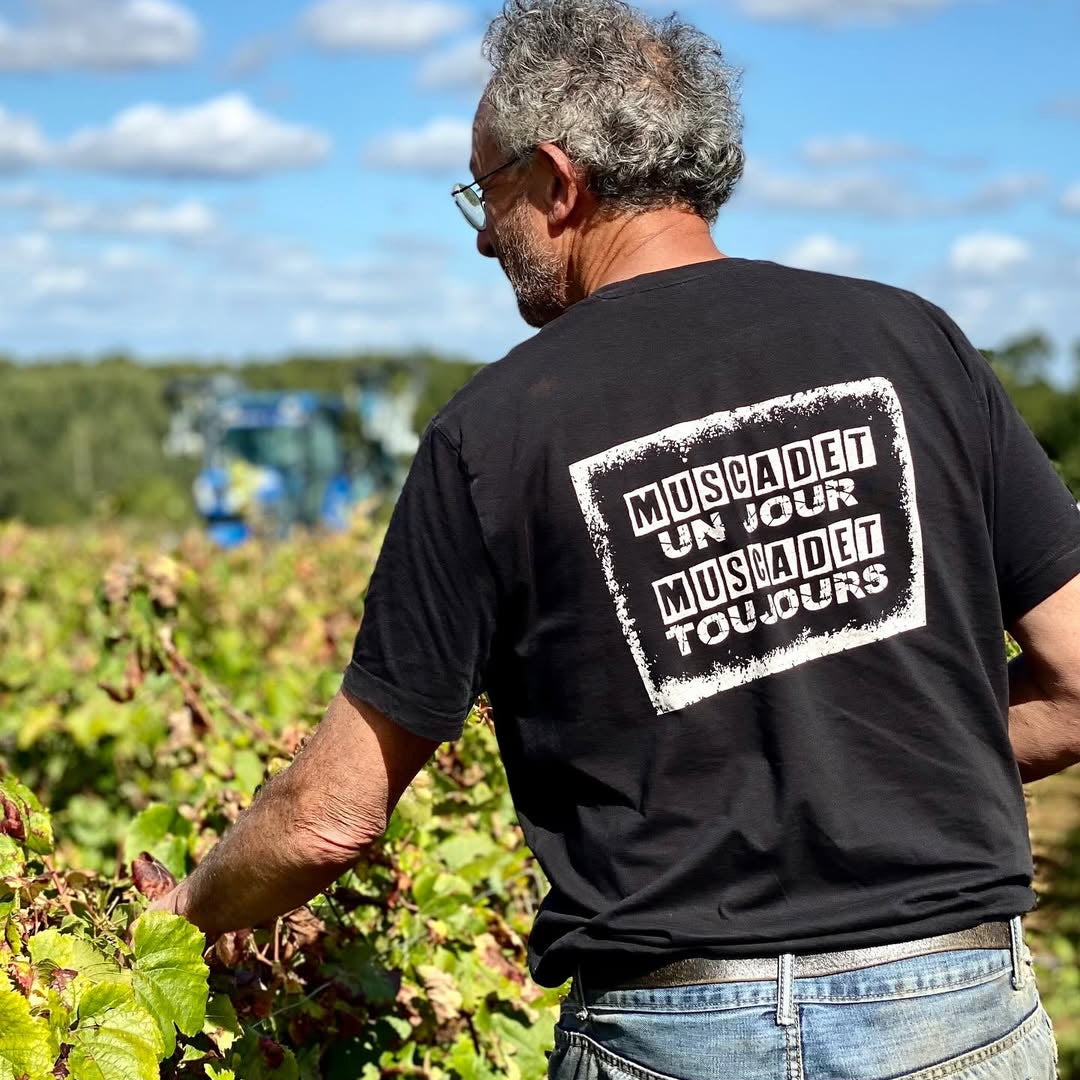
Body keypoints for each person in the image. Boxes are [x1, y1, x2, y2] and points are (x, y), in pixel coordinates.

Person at [156, 0, 1077, 1075]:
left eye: (487, 191)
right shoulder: (912, 342)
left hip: (680, 1035)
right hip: (957, 1010)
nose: (482, 232)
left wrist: (184, 912)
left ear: (559, 180)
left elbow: (331, 817)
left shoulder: (492, 433)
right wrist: (890, 766)